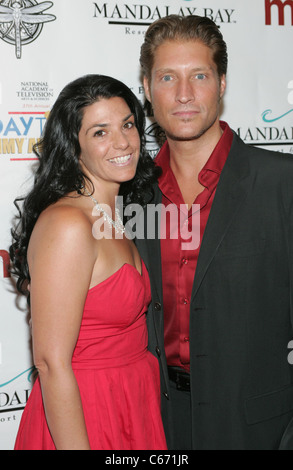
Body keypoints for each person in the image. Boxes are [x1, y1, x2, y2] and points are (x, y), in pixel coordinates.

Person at [136, 14, 293, 450]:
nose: (183, 94)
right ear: (147, 89)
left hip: (260, 428)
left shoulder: (282, 183)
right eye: (168, 77)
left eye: (199, 75)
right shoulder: (131, 196)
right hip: (156, 424)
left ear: (222, 83)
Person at [9, 74, 167, 450]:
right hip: (86, 413)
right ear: (73, 146)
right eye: (100, 132)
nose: (123, 141)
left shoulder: (119, 215)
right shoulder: (68, 224)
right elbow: (49, 363)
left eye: (127, 124)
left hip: (133, 401)